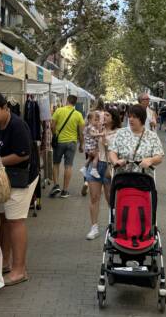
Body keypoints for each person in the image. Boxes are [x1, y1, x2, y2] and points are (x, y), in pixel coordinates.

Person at [0, 92, 39, 286]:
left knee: (15, 221)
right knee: (4, 219)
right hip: (4, 179)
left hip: (21, 179)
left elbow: (23, 154)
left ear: (5, 108)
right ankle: (5, 261)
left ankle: (19, 270)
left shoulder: (17, 126)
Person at [85, 108, 121, 240]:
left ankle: (113, 225)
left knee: (110, 199)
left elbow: (119, 151)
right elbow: (89, 139)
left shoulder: (119, 133)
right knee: (94, 197)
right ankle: (94, 227)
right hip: (96, 164)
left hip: (109, 167)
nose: (103, 117)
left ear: (114, 118)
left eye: (107, 115)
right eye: (103, 114)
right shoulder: (98, 129)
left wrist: (106, 145)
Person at [108, 104, 164, 176]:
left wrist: (150, 160)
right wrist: (116, 162)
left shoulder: (152, 136)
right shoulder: (120, 133)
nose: (131, 119)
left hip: (144, 178)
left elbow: (159, 157)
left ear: (142, 118)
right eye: (129, 116)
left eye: (134, 117)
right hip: (122, 178)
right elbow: (112, 151)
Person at [50, 95, 84, 198]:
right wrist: (81, 144)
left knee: (56, 164)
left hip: (59, 142)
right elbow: (81, 133)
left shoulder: (59, 111)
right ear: (75, 103)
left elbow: (52, 126)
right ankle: (65, 191)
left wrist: (55, 134)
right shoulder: (78, 115)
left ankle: (56, 185)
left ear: (67, 101)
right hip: (72, 143)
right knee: (68, 166)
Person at [82, 112, 103, 180]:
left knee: (90, 158)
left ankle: (84, 168)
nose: (97, 122)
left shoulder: (89, 127)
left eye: (98, 120)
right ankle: (94, 170)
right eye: (95, 120)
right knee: (97, 156)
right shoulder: (90, 127)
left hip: (89, 147)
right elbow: (92, 134)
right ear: (89, 120)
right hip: (91, 147)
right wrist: (101, 134)